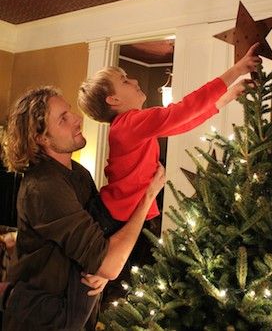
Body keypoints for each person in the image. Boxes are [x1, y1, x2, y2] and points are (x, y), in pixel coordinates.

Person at [1, 87, 165, 331]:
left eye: (70, 111)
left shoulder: (78, 173)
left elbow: (100, 239)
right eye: (63, 118)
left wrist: (100, 269)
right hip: (42, 320)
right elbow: (108, 263)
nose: (77, 119)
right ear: (41, 138)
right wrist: (147, 196)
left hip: (75, 315)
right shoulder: (45, 188)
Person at [77, 43, 261, 233]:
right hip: (116, 217)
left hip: (122, 215)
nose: (134, 81)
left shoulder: (132, 127)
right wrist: (237, 70)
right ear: (113, 100)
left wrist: (229, 95)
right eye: (124, 81)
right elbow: (185, 109)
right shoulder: (130, 123)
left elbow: (184, 123)